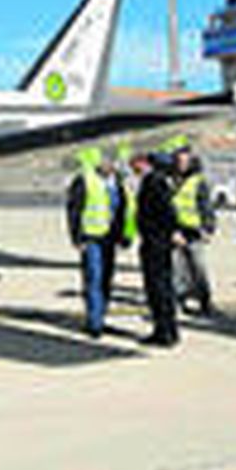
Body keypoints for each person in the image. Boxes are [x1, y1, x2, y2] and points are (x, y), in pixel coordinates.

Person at [65, 147, 128, 338]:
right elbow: (73, 210)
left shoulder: (117, 182)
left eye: (113, 162)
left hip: (109, 239)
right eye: (106, 161)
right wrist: (77, 237)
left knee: (106, 280)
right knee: (93, 279)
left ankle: (100, 315)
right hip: (90, 238)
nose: (110, 165)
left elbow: (124, 211)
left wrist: (125, 236)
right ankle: (95, 323)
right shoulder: (84, 180)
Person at [130, 152, 181, 348]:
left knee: (157, 288)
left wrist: (171, 231)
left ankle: (164, 332)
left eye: (133, 164)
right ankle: (169, 330)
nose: (132, 169)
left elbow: (167, 210)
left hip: (155, 242)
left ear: (142, 162)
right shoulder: (157, 180)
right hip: (158, 241)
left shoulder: (154, 182)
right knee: (163, 287)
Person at [170, 147, 217, 316]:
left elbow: (205, 205)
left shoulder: (197, 181)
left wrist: (208, 228)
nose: (181, 164)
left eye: (184, 161)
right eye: (178, 161)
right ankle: (178, 300)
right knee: (177, 270)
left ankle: (204, 301)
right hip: (176, 229)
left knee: (198, 268)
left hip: (194, 230)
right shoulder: (170, 180)